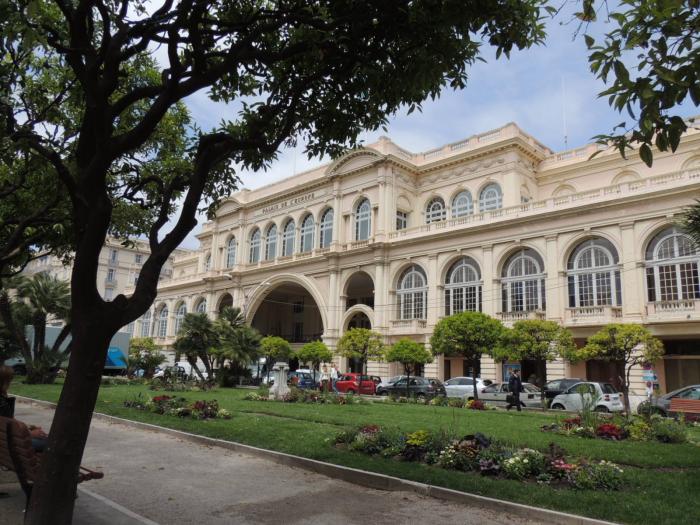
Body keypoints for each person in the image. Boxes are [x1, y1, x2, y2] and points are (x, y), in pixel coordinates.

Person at [0, 365, 49, 451]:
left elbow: (9, 421)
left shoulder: (3, 400)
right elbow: (9, 431)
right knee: (49, 443)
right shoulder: (2, 404)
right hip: (9, 446)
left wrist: (26, 427)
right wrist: (31, 433)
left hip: (5, 444)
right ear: (5, 382)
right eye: (10, 380)